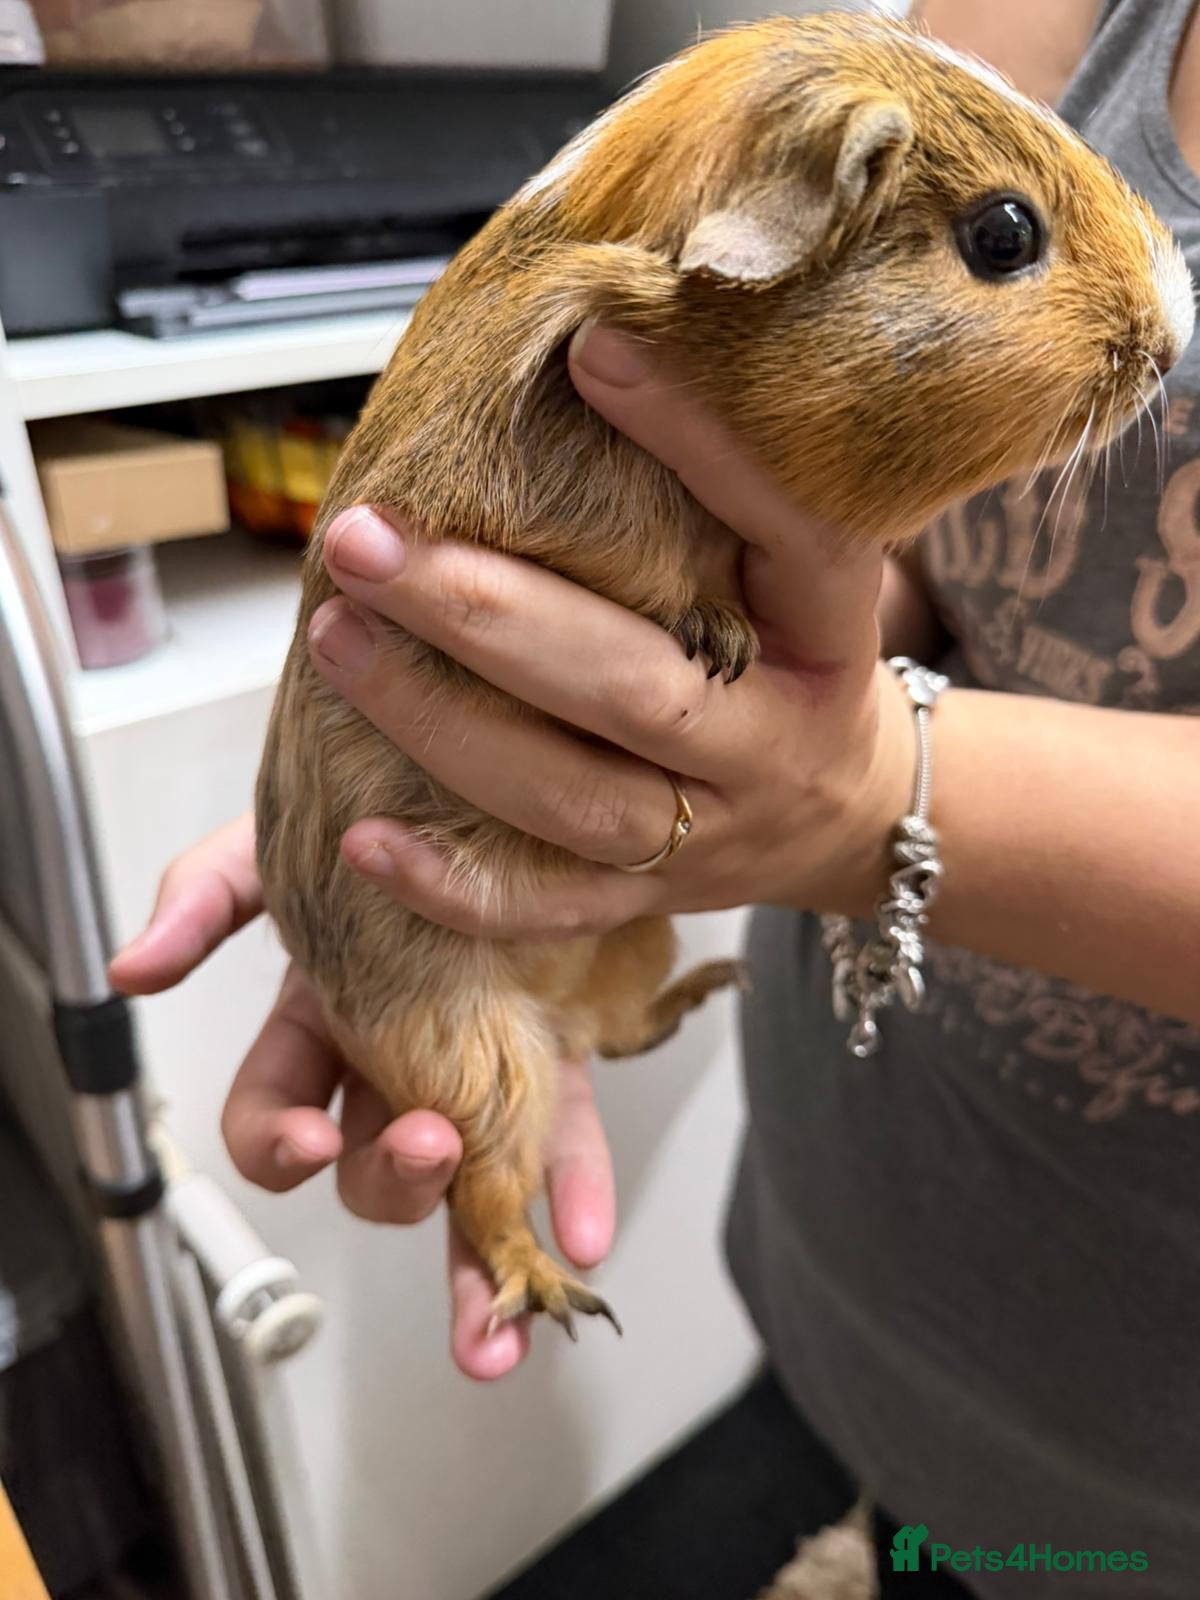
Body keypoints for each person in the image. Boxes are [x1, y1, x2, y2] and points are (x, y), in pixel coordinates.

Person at [112, 0, 1200, 1592]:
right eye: (1016, 239)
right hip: (864, 1219)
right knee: (902, 1532)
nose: (1156, 326)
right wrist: (521, 738)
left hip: (1151, 1433)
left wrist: (858, 792)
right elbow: (904, 565)